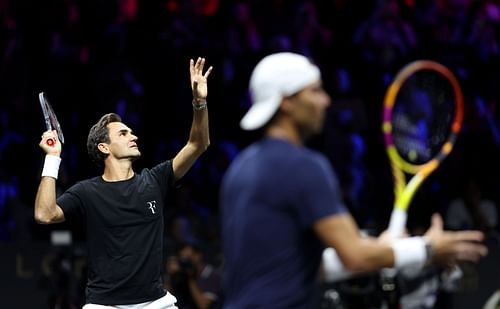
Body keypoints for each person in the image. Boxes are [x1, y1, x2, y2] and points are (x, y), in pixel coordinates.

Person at [219, 52, 488, 308]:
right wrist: (427, 249)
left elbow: (296, 266)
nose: (325, 101)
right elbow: (354, 255)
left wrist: (389, 249)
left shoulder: (239, 169)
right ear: (286, 101)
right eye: (315, 91)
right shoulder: (302, 166)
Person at [35, 57, 213, 308]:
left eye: (131, 131)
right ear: (104, 146)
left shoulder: (155, 180)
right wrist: (53, 158)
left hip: (156, 303)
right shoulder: (86, 191)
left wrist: (199, 102)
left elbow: (198, 144)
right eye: (123, 133)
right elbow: (44, 214)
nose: (134, 136)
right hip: (104, 305)